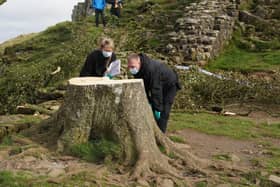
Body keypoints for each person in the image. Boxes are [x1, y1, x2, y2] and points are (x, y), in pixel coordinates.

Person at [127, 53, 181, 133]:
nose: (131, 69)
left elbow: (156, 90)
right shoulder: (139, 69)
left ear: (139, 62)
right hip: (158, 84)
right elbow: (142, 86)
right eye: (130, 67)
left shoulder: (151, 69)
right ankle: (151, 129)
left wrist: (157, 108)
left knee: (164, 110)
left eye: (133, 67)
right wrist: (148, 100)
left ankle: (161, 134)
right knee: (152, 105)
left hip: (170, 85)